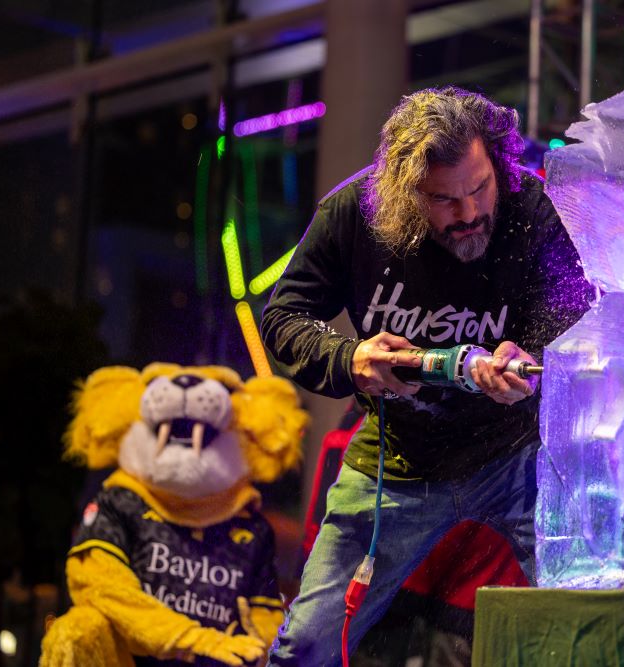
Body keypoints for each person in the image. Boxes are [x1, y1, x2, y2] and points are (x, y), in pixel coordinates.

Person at [260, 86, 592, 666]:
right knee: (306, 646)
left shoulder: (531, 206)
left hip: (513, 458)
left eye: (479, 187)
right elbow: (283, 317)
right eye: (443, 200)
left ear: (497, 162)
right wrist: (351, 360)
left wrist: (533, 356)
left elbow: (578, 312)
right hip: (396, 463)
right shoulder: (352, 214)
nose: (468, 213)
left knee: (594, 614)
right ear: (403, 192)